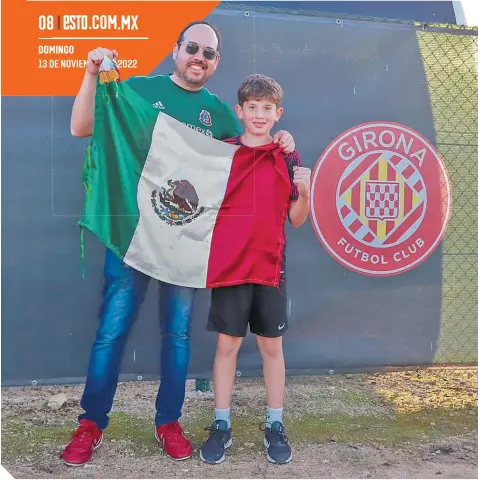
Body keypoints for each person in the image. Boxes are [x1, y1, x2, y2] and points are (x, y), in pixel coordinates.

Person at [62, 21, 297, 466]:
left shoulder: (224, 116)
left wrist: (285, 142)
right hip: (131, 239)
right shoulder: (137, 91)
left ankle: (168, 422)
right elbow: (81, 127)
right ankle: (90, 424)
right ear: (176, 50)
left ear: (216, 64)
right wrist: (91, 74)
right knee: (111, 333)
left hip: (186, 247)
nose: (199, 58)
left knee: (178, 336)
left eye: (209, 54)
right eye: (193, 48)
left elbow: (256, 150)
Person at [198, 74, 310, 465]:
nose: (259, 115)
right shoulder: (222, 152)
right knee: (226, 346)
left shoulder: (288, 156)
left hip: (270, 267)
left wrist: (306, 189)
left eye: (267, 109)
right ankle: (221, 423)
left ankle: (275, 423)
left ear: (278, 114)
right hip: (230, 268)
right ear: (239, 111)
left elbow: (296, 219)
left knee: (271, 348)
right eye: (253, 108)